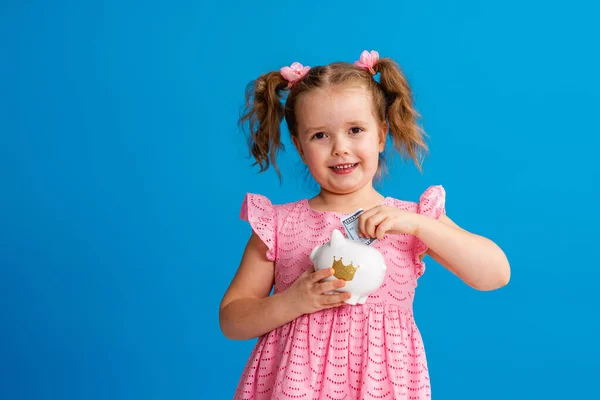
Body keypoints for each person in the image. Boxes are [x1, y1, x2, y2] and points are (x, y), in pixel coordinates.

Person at [219, 50, 510, 399]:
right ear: (298, 146)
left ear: (381, 135)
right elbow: (232, 319)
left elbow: (494, 274)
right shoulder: (279, 225)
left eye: (355, 130)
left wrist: (419, 225)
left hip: (381, 386)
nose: (340, 148)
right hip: (295, 386)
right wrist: (291, 302)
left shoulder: (410, 220)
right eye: (320, 136)